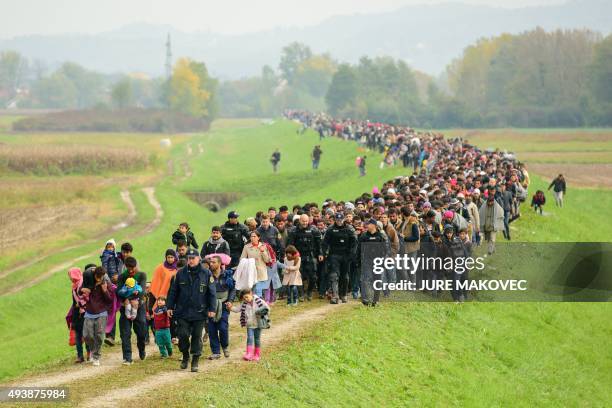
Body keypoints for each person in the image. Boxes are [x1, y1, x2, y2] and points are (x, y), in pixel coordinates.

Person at [167, 248, 217, 372]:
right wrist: (169, 306)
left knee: (196, 336)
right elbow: (173, 291)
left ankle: (195, 359)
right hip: (183, 311)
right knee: (182, 335)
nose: (190, 260)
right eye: (189, 258)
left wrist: (212, 309)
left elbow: (212, 293)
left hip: (200, 311)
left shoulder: (206, 273)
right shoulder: (181, 273)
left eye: (193, 258)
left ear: (198, 258)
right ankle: (185, 355)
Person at [116, 256, 147, 365]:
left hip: (139, 307)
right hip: (125, 307)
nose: (131, 270)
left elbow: (142, 291)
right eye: (128, 268)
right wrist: (126, 300)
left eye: (132, 268)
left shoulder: (142, 275)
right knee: (125, 333)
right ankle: (127, 357)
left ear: (136, 266)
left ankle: (141, 348)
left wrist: (136, 299)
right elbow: (118, 291)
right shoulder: (122, 277)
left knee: (141, 331)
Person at [81, 266, 113, 366]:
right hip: (89, 312)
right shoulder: (88, 280)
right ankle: (92, 350)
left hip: (102, 312)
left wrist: (105, 291)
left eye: (101, 277)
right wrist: (83, 290)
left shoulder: (105, 283)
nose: (99, 279)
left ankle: (96, 357)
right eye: (97, 277)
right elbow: (80, 291)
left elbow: (110, 300)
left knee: (99, 335)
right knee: (87, 335)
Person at [323, 213, 357, 304]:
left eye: (341, 220)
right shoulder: (330, 229)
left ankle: (343, 294)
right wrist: (324, 253)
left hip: (346, 255)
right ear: (335, 220)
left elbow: (354, 242)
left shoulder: (349, 229)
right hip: (334, 255)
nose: (339, 222)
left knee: (345, 276)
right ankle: (335, 295)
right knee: (334, 275)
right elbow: (325, 242)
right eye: (337, 220)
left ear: (343, 219)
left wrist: (352, 254)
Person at [286, 214, 323, 301]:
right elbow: (290, 245)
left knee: (313, 276)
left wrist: (320, 254)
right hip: (298, 256)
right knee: (298, 276)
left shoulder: (314, 230)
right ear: (299, 221)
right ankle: (301, 294)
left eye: (306, 221)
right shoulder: (294, 231)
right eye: (303, 221)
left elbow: (319, 243)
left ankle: (309, 292)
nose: (305, 223)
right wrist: (290, 256)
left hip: (310, 255)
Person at [207, 255, 236, 360]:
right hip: (211, 305)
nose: (211, 264)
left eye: (214, 262)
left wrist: (230, 301)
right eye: (210, 262)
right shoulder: (207, 276)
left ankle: (225, 346)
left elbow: (233, 289)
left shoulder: (227, 275)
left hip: (223, 305)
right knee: (211, 329)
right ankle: (216, 352)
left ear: (219, 263)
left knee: (223, 327)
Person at [231, 288, 269, 361]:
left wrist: (261, 312)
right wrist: (230, 307)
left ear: (251, 293)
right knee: (250, 338)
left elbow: (267, 308)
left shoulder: (259, 301)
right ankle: (249, 354)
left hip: (258, 324)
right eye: (244, 298)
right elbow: (237, 309)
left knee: (257, 339)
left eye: (247, 297)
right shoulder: (244, 303)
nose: (246, 299)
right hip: (249, 324)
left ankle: (257, 355)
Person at [68, 267, 90, 363]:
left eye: (71, 275)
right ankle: (80, 356)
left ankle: (89, 353)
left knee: (87, 334)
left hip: (86, 312)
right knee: (78, 335)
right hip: (77, 314)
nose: (71, 278)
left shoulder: (83, 284)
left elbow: (88, 297)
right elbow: (74, 302)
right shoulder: (74, 287)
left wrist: (81, 304)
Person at [240, 231, 271, 297]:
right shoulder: (246, 247)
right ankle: (254, 304)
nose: (252, 238)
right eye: (251, 236)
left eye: (254, 236)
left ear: (258, 237)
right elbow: (242, 259)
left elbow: (267, 260)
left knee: (258, 290)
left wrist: (263, 251)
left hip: (261, 272)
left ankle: (259, 304)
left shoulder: (264, 246)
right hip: (251, 271)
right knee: (252, 290)